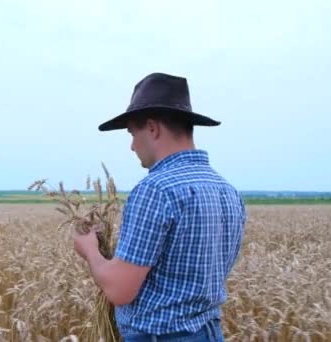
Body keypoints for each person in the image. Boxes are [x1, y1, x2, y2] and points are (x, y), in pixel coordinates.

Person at [73, 72, 246, 342]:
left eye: (132, 133)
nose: (131, 145)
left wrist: (90, 250)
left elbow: (120, 290)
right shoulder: (227, 190)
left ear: (153, 128)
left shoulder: (155, 189)